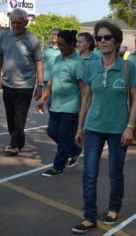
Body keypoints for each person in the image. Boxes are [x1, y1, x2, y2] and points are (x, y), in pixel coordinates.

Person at [71, 21, 136, 234]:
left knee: (114, 172)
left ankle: (113, 208)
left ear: (117, 41)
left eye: (107, 37)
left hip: (118, 128)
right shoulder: (91, 65)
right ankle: (89, 216)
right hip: (93, 127)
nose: (102, 41)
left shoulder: (128, 67)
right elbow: (86, 98)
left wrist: (130, 127)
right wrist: (80, 127)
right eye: (99, 38)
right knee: (89, 173)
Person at [37, 30, 86, 176]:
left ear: (72, 45)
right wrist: (42, 99)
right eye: (58, 44)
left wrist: (82, 111)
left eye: (62, 44)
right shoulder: (58, 59)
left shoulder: (78, 63)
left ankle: (58, 167)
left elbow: (84, 90)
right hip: (55, 104)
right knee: (52, 131)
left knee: (64, 137)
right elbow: (51, 82)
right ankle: (75, 150)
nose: (59, 47)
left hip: (71, 107)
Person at [0, 8, 43, 156]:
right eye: (14, 22)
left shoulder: (33, 40)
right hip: (7, 84)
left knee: (20, 116)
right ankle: (19, 139)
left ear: (26, 23)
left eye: (19, 23)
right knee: (11, 117)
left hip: (26, 85)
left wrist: (40, 84)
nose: (16, 25)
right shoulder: (4, 36)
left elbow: (39, 62)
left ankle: (14, 145)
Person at [43, 28, 61, 110]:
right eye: (52, 34)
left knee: (52, 102)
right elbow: (43, 63)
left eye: (56, 34)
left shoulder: (62, 49)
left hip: (56, 80)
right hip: (46, 79)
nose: (53, 36)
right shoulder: (47, 49)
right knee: (48, 103)